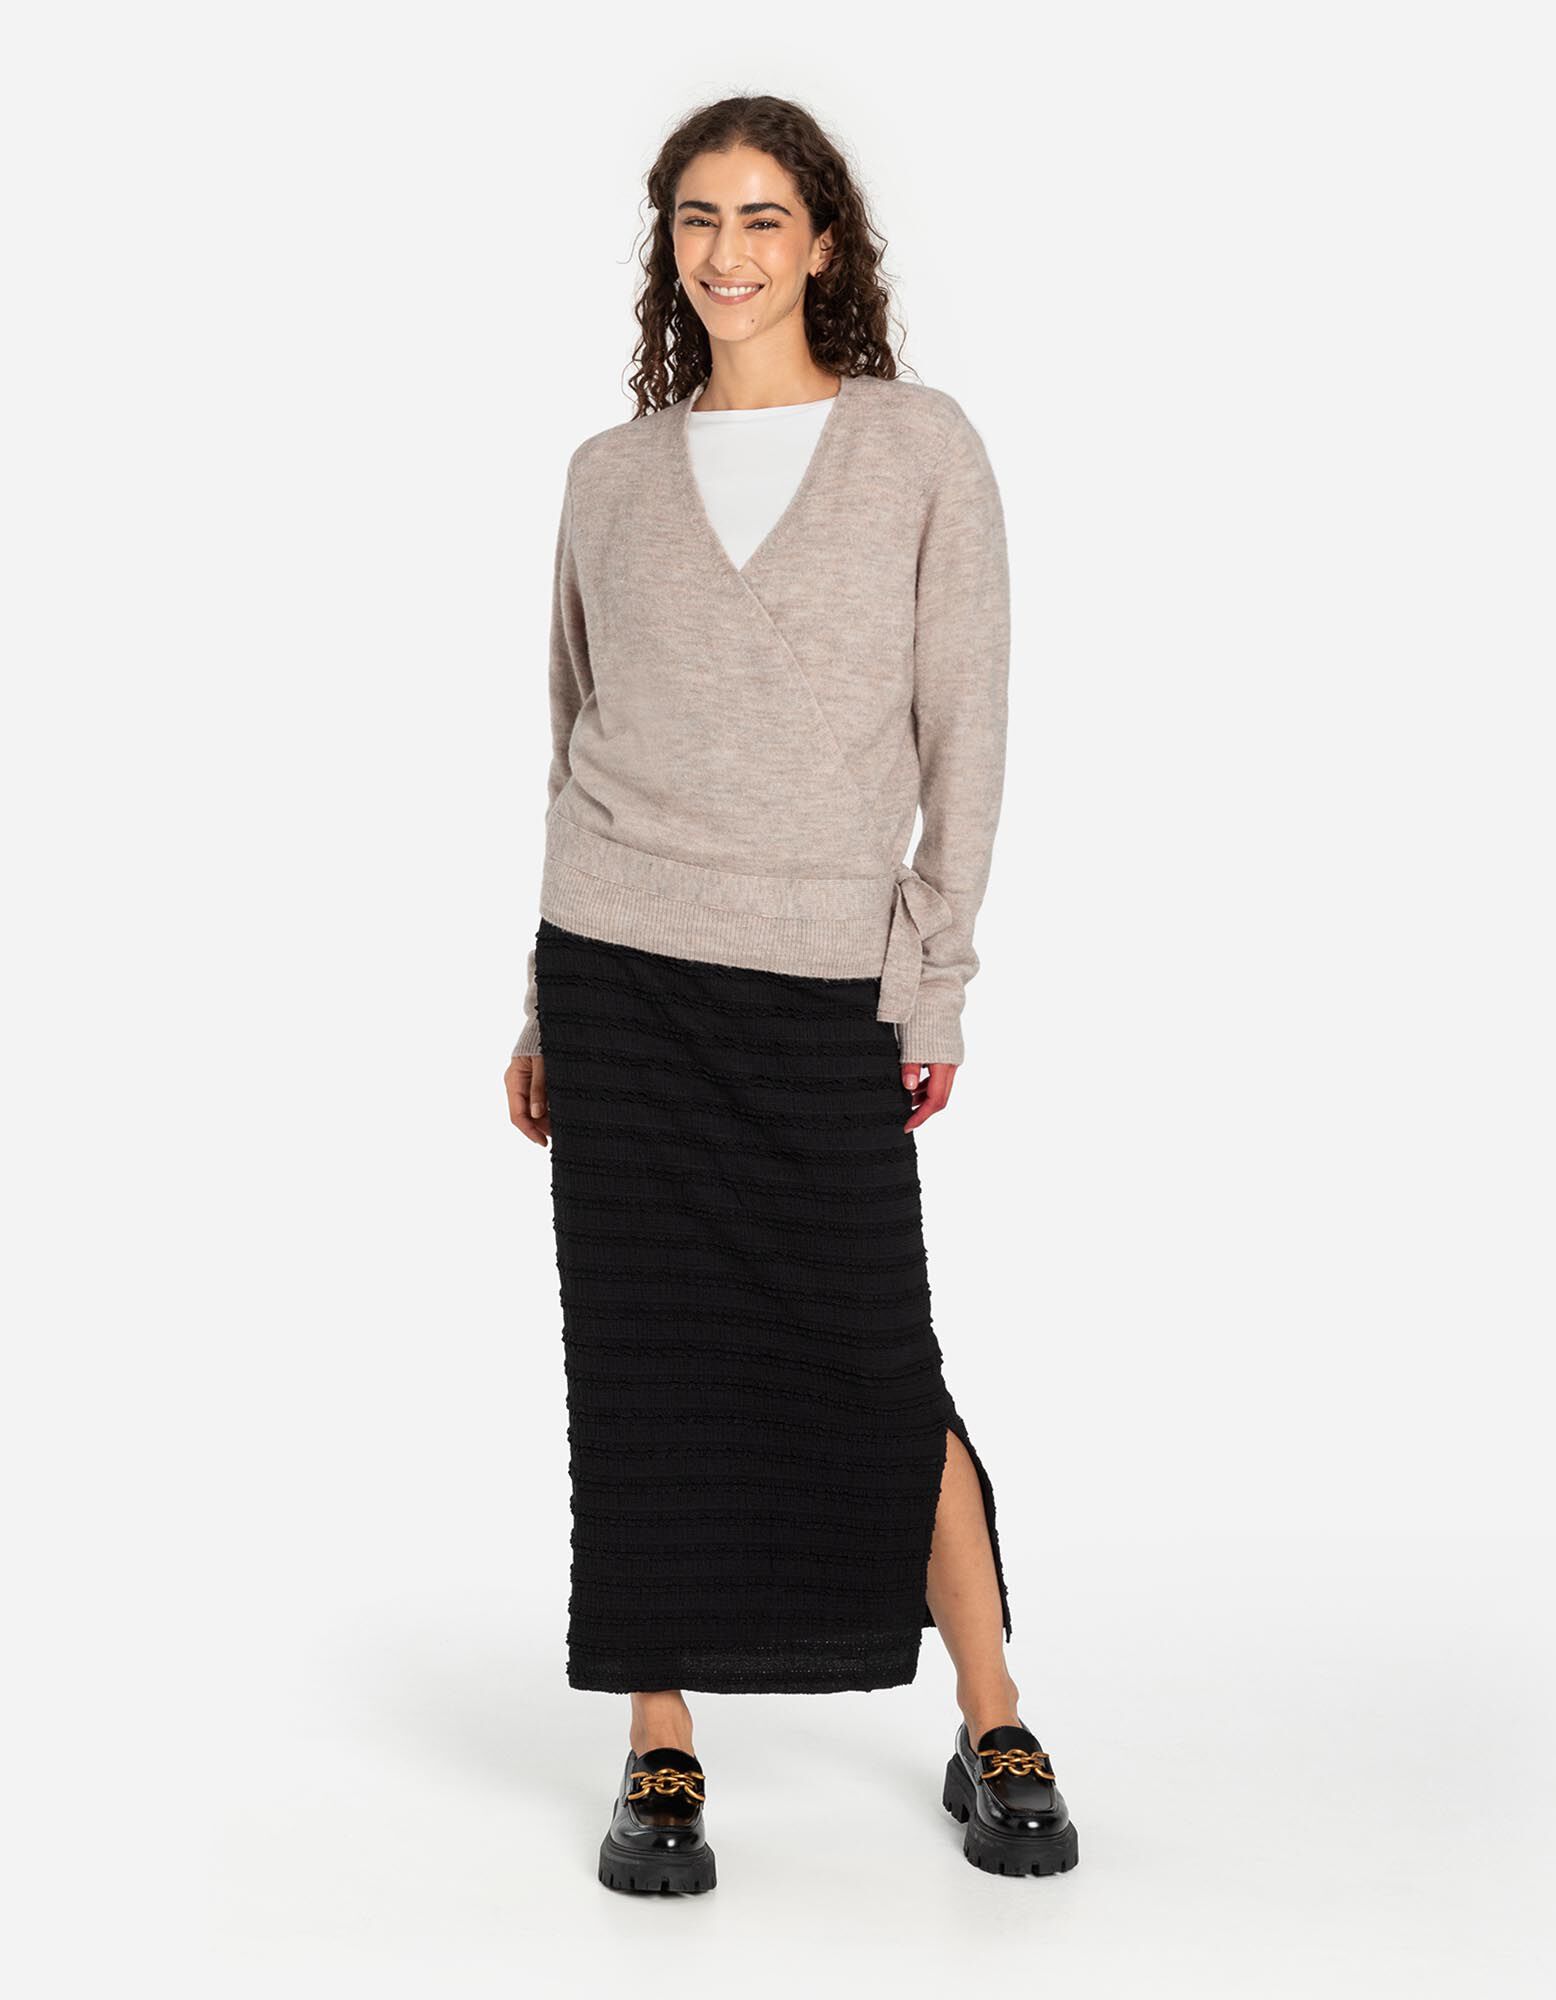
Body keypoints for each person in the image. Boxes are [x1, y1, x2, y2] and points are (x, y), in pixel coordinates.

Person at [503, 94, 1078, 1893]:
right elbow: (573, 741)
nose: (728, 252)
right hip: (619, 972)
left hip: (825, 970)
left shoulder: (919, 448)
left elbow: (965, 734)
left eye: (764, 218)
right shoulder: (609, 474)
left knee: (873, 1351)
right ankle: (657, 1739)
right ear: (666, 246)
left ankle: (992, 1710)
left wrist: (937, 981)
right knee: (643, 1357)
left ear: (825, 243)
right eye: (698, 218)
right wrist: (541, 1008)